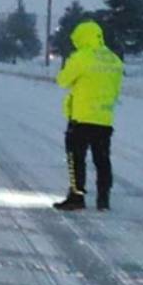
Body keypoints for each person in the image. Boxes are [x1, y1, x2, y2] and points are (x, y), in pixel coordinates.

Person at [53, 20, 124, 211]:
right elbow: (117, 89)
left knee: (76, 158)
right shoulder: (114, 60)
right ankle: (103, 199)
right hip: (105, 119)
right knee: (102, 159)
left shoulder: (81, 57)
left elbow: (62, 80)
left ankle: (77, 196)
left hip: (81, 118)